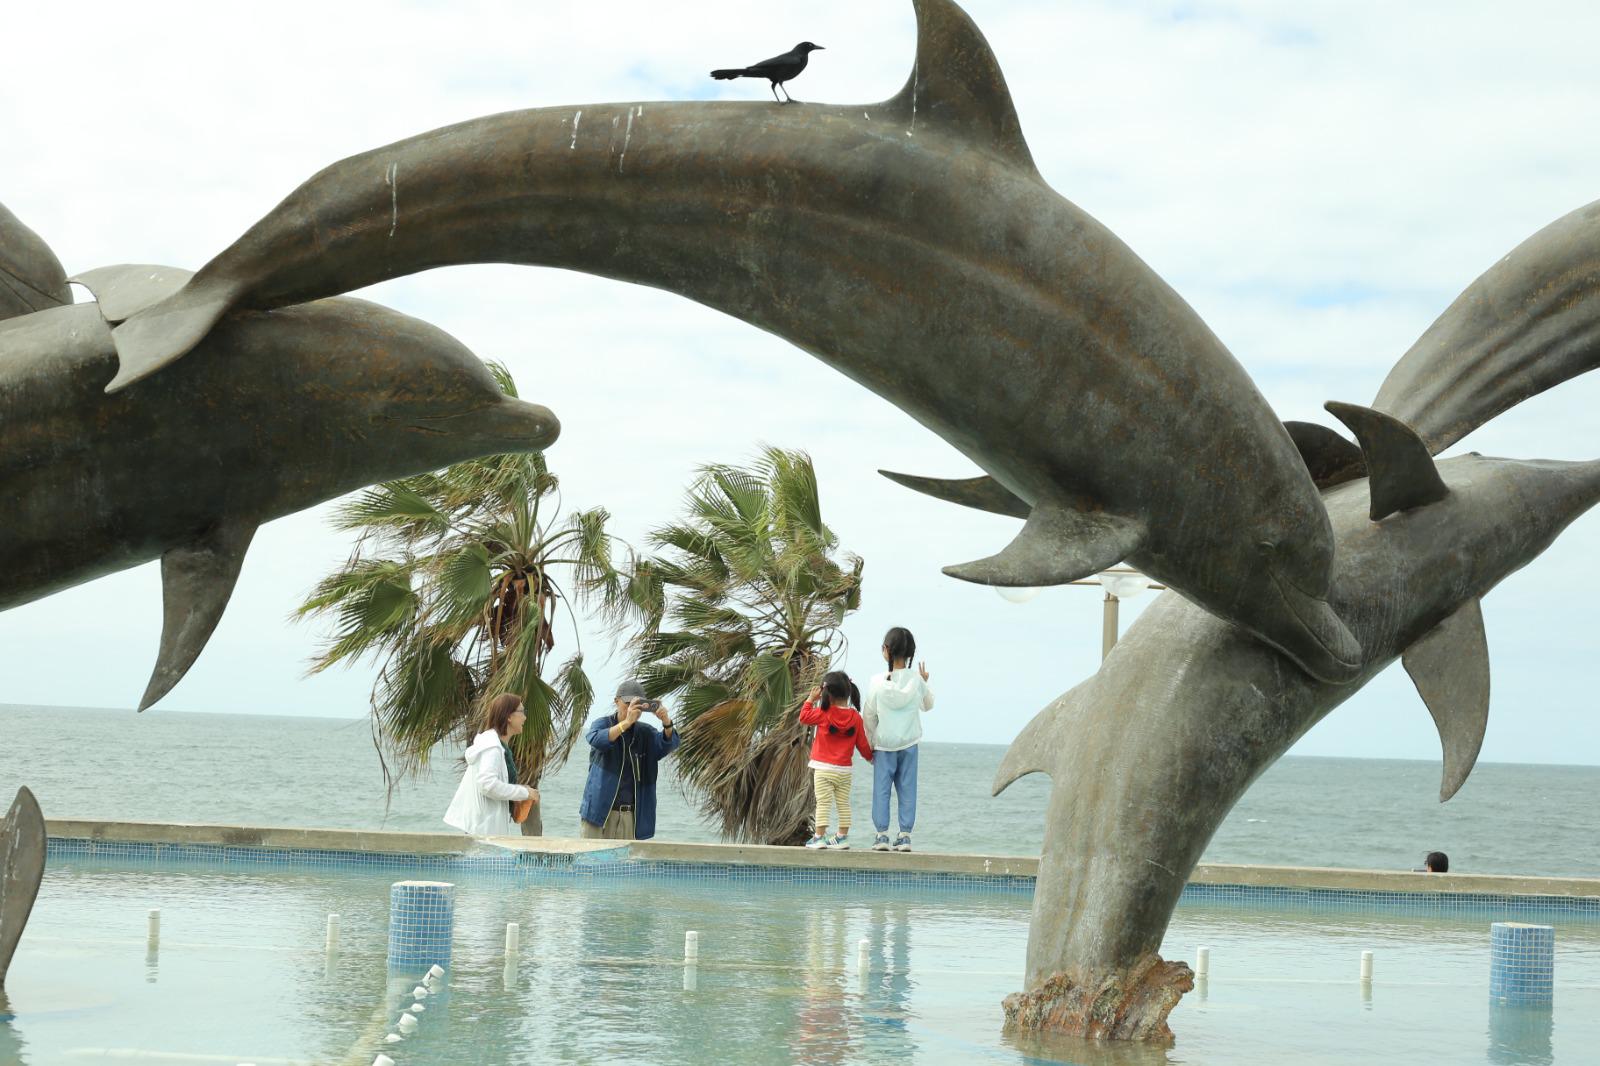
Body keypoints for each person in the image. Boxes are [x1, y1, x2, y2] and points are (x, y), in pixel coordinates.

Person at [579, 681, 680, 840]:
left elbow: (668, 745)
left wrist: (667, 722)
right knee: (589, 862)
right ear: (616, 701)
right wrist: (626, 723)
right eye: (627, 703)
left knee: (625, 864)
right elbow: (597, 739)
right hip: (598, 813)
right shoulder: (602, 723)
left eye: (638, 704)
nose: (632, 708)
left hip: (631, 816)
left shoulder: (646, 733)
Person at [863, 627, 934, 852]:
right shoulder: (917, 681)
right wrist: (924, 681)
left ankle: (881, 835)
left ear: (887, 650)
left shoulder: (876, 681)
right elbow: (928, 705)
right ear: (911, 653)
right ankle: (904, 836)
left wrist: (871, 742)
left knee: (881, 790)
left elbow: (869, 715)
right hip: (909, 744)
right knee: (907, 789)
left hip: (884, 744)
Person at [443, 693, 539, 837]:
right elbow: (487, 785)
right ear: (509, 716)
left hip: (486, 828)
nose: (525, 717)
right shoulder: (492, 747)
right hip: (483, 830)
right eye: (522, 712)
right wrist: (523, 793)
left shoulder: (499, 746)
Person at [800, 671, 873, 850]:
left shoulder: (823, 713)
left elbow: (803, 717)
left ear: (827, 693)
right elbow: (863, 744)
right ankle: (842, 837)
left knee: (823, 803)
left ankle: (819, 837)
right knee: (843, 803)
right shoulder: (856, 717)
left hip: (823, 769)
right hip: (844, 771)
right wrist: (871, 758)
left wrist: (810, 699)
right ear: (849, 691)